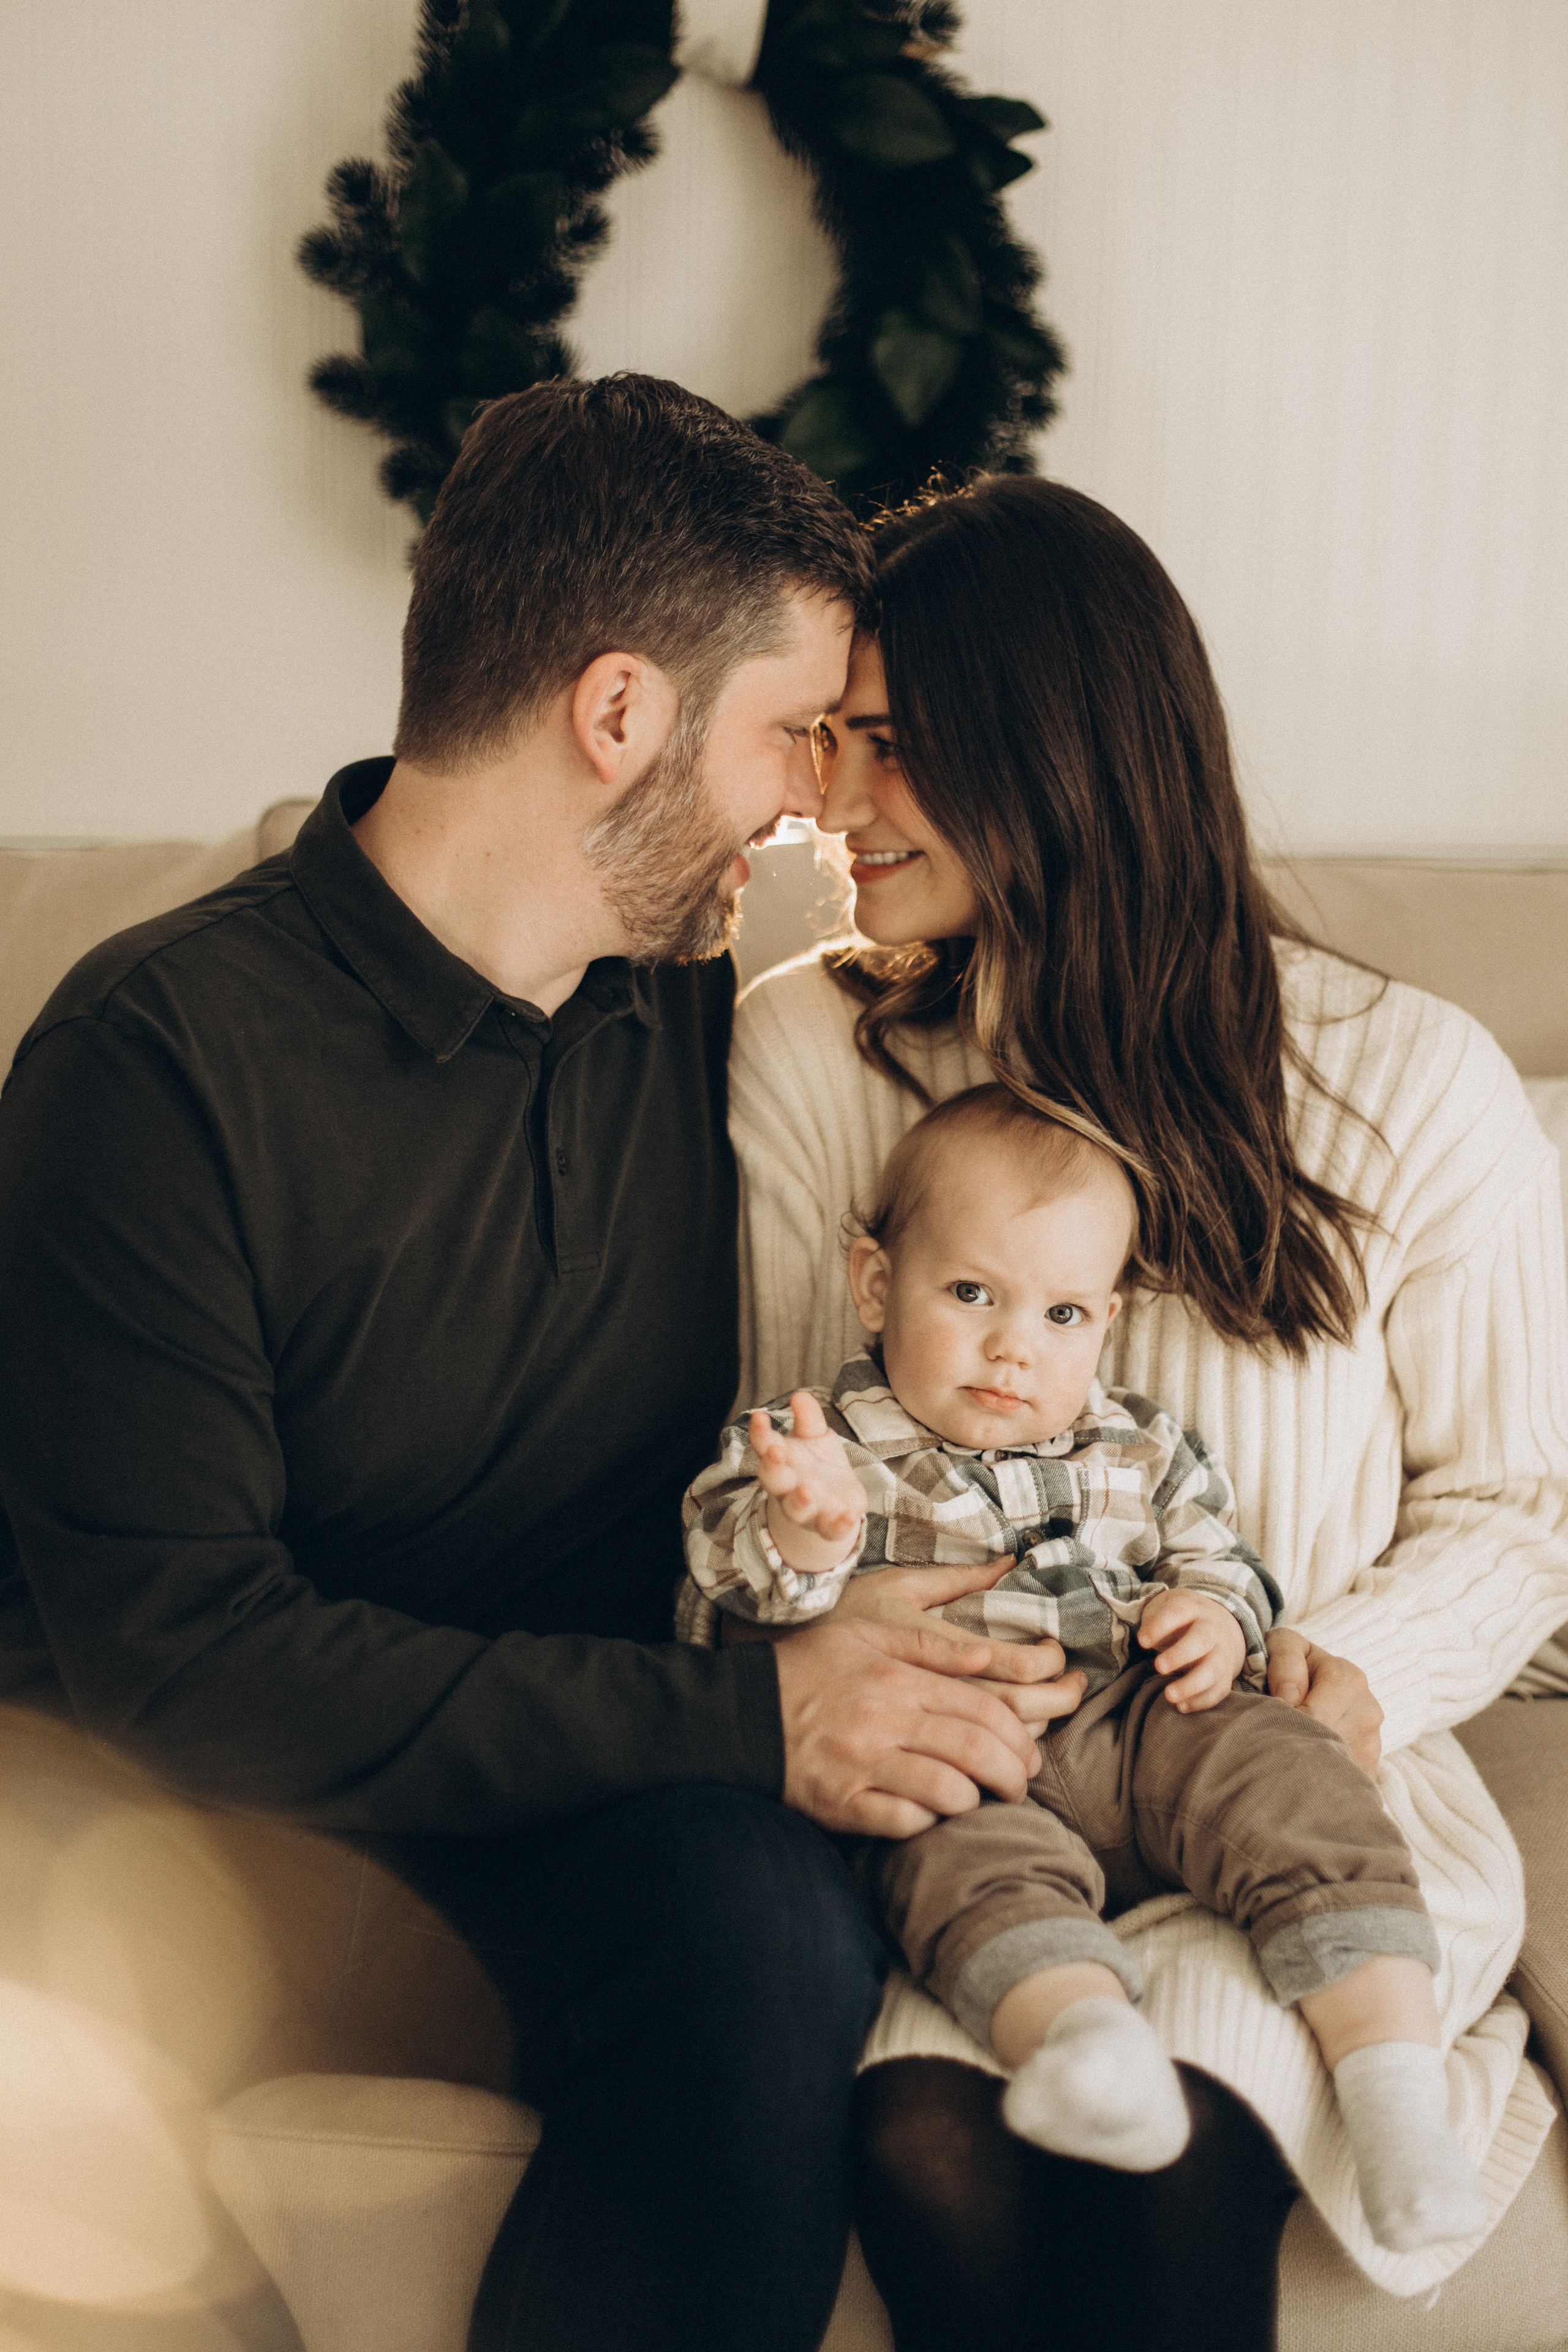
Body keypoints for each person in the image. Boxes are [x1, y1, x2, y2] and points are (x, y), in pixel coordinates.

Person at [0, 378, 1073, 2352]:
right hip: (205, 1798)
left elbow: (1046, 917)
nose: (818, 803)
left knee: (765, 1945)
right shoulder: (152, 1063)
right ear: (618, 716)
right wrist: (753, 1724)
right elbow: (182, 1659)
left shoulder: (690, 995)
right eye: (790, 734)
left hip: (561, 1760)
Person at [717, 477, 1568, 2349]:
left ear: (1058, 756)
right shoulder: (812, 1047)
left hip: (1272, 1780)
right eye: (827, 743)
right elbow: (787, 1431)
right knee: (937, 2157)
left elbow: (1519, 1502)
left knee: (1165, 2177)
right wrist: (837, 1607)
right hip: (978, 1802)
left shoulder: (1398, 1084)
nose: (826, 804)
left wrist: (1338, 1669)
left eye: (886, 747)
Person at [686, 1083, 1487, 2252]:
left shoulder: (1142, 1442)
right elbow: (735, 1576)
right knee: (949, 1860)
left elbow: (1224, 1562)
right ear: (875, 1285)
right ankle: (1087, 2044)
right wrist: (809, 1527)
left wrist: (1211, 1618)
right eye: (972, 1295)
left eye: (1064, 1315)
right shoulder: (824, 1440)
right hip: (961, 1744)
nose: (1017, 1345)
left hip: (1149, 1717)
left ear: (1106, 1325)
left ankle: (1400, 2103)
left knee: (1290, 1771)